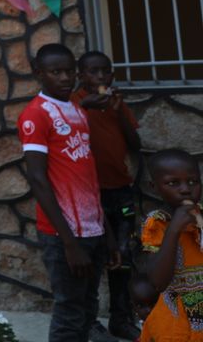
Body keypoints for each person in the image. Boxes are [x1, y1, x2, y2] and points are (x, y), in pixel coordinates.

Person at [19, 43, 119, 342]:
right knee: (69, 313)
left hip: (92, 228)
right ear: (39, 73)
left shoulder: (77, 110)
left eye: (69, 71)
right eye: (55, 72)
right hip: (64, 234)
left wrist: (106, 232)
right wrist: (69, 244)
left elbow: (86, 178)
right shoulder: (35, 115)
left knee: (88, 308)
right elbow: (38, 179)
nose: (65, 78)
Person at [73, 50, 142, 341]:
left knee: (123, 256)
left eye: (106, 71)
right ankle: (88, 321)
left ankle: (120, 318)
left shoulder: (116, 104)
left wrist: (118, 111)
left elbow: (135, 143)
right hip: (88, 193)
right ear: (81, 76)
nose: (101, 77)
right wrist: (86, 107)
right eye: (94, 71)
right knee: (92, 258)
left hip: (120, 191)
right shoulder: (74, 104)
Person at [135, 149, 203, 342]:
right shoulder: (157, 223)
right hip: (177, 315)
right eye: (173, 183)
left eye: (193, 182)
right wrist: (174, 230)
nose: (185, 189)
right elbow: (158, 281)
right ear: (154, 187)